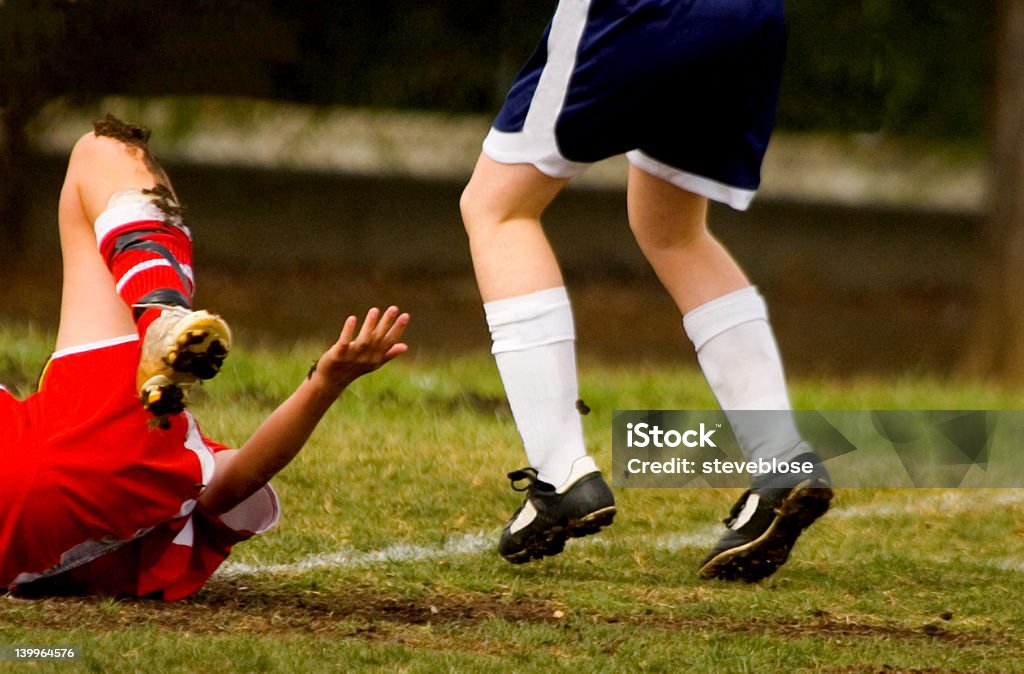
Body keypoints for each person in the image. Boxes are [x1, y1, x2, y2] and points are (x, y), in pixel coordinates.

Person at [459, 0, 832, 581]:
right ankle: (780, 456)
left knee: (498, 208)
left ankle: (561, 474)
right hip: (753, 19)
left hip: (647, 9)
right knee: (672, 230)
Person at [0, 115, 410, 599]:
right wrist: (324, 383)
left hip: (74, 443)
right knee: (102, 151)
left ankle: (161, 313)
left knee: (102, 150)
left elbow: (239, 479)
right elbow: (238, 478)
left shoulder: (142, 437)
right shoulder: (148, 458)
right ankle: (160, 311)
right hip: (95, 456)